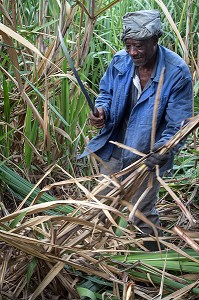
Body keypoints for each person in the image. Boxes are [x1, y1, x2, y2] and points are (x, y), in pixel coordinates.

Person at [80, 9, 193, 250]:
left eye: (139, 46)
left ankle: (157, 263)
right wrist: (101, 112)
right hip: (114, 149)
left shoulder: (176, 72)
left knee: (141, 212)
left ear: (155, 40)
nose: (133, 52)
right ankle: (99, 257)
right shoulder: (120, 61)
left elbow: (178, 124)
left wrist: (163, 150)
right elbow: (106, 94)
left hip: (146, 156)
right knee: (102, 206)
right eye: (129, 45)